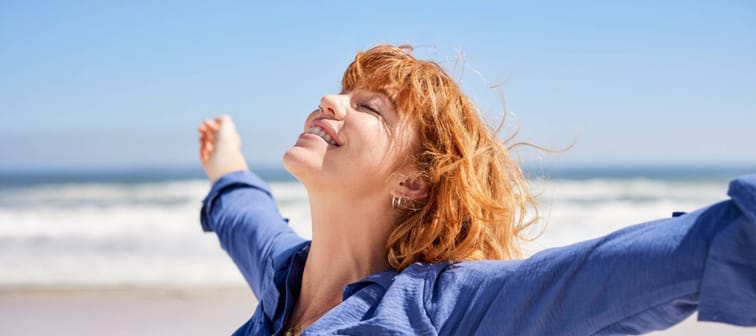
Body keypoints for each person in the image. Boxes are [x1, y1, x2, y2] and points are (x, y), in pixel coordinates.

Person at [197, 45, 755, 336]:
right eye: (343, 93)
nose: (329, 100)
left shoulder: (448, 309)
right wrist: (228, 165)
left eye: (368, 107)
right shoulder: (282, 275)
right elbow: (246, 217)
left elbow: (666, 262)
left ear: (412, 181)